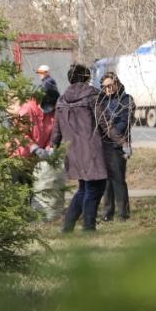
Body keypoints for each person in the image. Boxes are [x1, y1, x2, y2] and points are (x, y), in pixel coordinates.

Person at [48, 63, 108, 232]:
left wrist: (53, 146)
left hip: (73, 153)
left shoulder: (61, 100)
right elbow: (104, 122)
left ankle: (67, 227)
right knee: (95, 189)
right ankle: (89, 228)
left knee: (84, 189)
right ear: (85, 78)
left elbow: (57, 128)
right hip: (92, 151)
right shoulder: (92, 95)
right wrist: (121, 142)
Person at [95, 71, 134, 222]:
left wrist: (112, 133)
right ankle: (107, 212)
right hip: (104, 146)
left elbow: (125, 121)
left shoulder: (126, 99)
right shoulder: (102, 101)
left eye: (110, 85)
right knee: (107, 181)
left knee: (118, 179)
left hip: (119, 145)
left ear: (116, 83)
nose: (108, 89)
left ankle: (123, 213)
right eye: (105, 87)